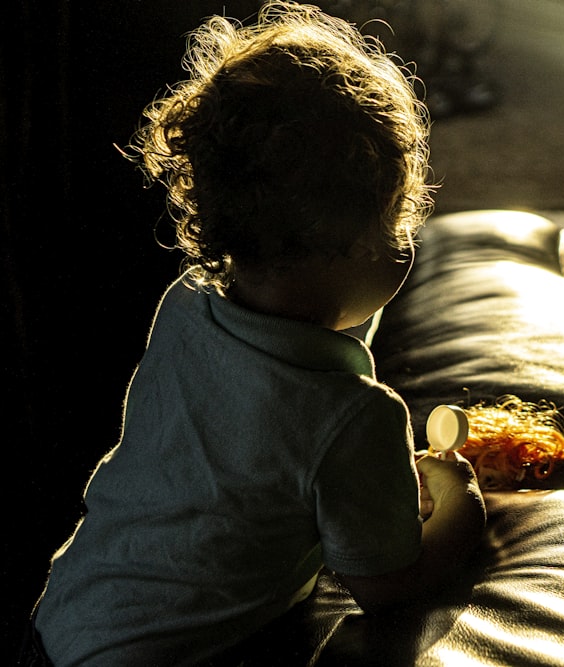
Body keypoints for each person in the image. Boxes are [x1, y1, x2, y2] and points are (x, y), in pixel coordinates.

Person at [26, 2, 485, 664]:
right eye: (398, 222)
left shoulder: (187, 305)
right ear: (350, 246)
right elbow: (385, 583)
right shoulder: (354, 416)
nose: (408, 242)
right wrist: (461, 509)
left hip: (62, 618)